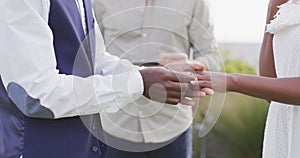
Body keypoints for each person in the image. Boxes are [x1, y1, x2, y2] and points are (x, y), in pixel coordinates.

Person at [0, 0, 209, 157]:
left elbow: (97, 60)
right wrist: (139, 82)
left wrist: (148, 76)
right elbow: (36, 95)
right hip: (36, 149)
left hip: (162, 129)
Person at [93, 0, 220, 157]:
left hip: (173, 128)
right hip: (114, 127)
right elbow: (89, 54)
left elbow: (212, 57)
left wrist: (192, 65)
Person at [195, 0, 300, 157]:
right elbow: (269, 79)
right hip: (283, 127)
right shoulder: (286, 5)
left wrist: (231, 81)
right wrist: (273, 7)